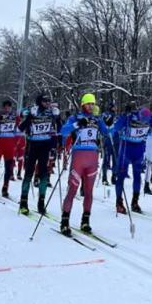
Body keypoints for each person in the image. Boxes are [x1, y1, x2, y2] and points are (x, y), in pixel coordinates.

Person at [58, 94, 109, 235]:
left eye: (93, 104)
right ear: (83, 105)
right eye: (88, 104)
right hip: (78, 157)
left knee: (88, 192)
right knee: (72, 190)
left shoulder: (97, 119)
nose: (91, 106)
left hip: (93, 157)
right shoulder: (75, 118)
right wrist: (77, 124)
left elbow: (106, 132)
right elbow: (63, 131)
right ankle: (64, 222)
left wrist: (106, 122)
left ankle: (85, 221)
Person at [17, 92, 61, 215]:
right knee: (29, 173)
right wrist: (30, 116)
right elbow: (21, 127)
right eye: (45, 101)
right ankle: (23, 201)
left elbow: (59, 128)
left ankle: (41, 202)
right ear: (39, 102)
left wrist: (58, 117)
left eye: (48, 101)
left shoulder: (51, 112)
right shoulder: (32, 110)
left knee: (43, 174)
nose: (47, 103)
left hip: (45, 146)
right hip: (32, 146)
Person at [111, 105, 152, 214]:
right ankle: (119, 202)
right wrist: (125, 116)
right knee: (121, 176)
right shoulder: (130, 116)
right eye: (140, 120)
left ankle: (135, 201)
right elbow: (116, 127)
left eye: (145, 122)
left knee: (137, 176)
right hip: (126, 149)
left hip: (138, 150)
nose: (142, 123)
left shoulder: (149, 119)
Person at [0, 100, 19, 198]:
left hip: (10, 145)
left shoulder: (14, 116)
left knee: (8, 169)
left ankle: (5, 188)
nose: (7, 109)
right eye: (5, 107)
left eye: (9, 107)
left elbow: (20, 125)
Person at [100, 101, 117, 186]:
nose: (115, 108)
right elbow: (102, 124)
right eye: (113, 107)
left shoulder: (116, 116)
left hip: (115, 140)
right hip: (107, 139)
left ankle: (114, 177)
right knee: (106, 159)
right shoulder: (105, 114)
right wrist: (108, 121)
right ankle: (104, 177)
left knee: (115, 159)